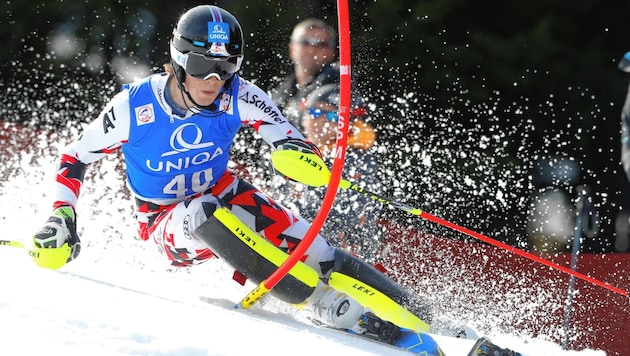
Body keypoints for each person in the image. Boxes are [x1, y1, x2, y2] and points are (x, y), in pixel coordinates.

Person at [31, 4, 433, 343]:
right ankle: (321, 303)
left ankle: (426, 318)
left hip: (226, 192)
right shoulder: (134, 107)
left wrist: (296, 154)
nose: (213, 78)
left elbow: (286, 137)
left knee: (315, 247)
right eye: (203, 64)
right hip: (166, 220)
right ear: (178, 58)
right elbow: (74, 155)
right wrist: (60, 214)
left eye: (226, 65)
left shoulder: (237, 93)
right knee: (203, 210)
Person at [272, 84, 382, 257]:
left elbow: (348, 213)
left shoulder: (355, 158)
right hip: (291, 241)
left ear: (346, 125)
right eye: (315, 113)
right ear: (304, 115)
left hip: (340, 249)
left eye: (332, 115)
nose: (321, 120)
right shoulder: (294, 150)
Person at [269, 18, 340, 129]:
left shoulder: (340, 83)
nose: (312, 49)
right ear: (292, 49)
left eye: (320, 44)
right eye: (305, 42)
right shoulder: (280, 93)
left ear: (331, 52)